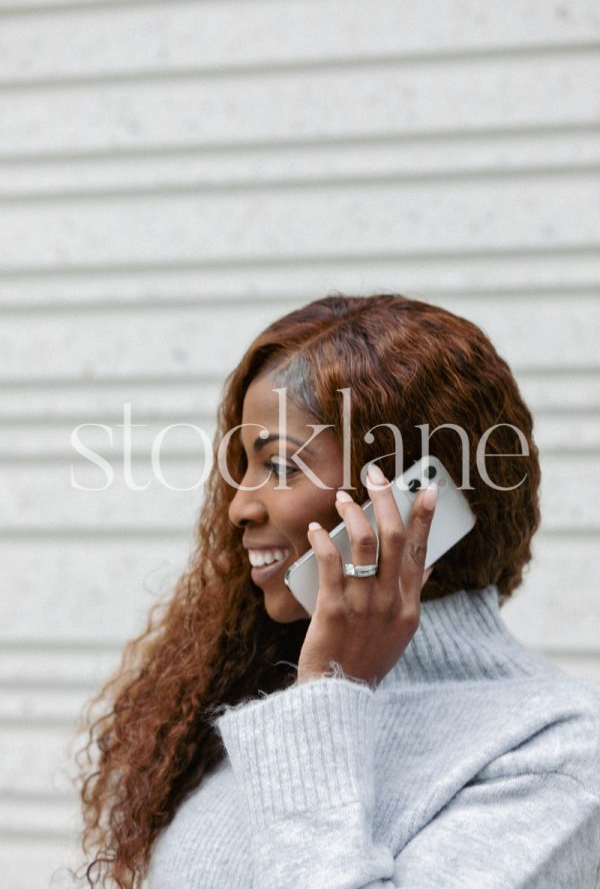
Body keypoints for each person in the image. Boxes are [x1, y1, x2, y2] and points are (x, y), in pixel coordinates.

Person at [73, 293, 600, 889]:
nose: (239, 506)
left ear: (416, 498)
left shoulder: (559, 748)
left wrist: (330, 692)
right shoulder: (266, 710)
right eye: (241, 465)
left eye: (280, 466)